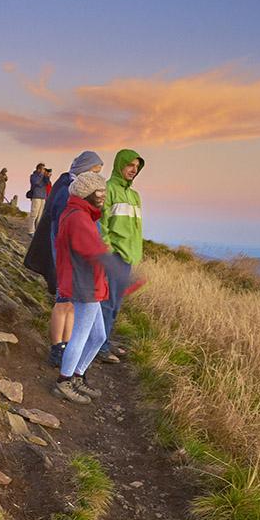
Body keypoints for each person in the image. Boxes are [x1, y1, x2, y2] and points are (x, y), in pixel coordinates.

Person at [52, 172, 134, 403]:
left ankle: (77, 375)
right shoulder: (78, 217)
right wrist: (120, 272)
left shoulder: (83, 215)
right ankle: (64, 381)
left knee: (98, 336)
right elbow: (91, 251)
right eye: (100, 192)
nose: (104, 196)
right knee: (80, 335)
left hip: (90, 283)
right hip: (84, 285)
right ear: (88, 192)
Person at [23, 151, 104, 366]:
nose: (96, 177)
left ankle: (64, 344)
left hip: (68, 259)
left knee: (69, 304)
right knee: (63, 303)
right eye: (95, 172)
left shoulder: (68, 186)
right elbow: (60, 230)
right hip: (65, 259)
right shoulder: (67, 191)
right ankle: (57, 348)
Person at [97, 149, 145, 363]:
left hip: (128, 257)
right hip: (113, 256)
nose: (133, 170)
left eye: (137, 167)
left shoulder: (135, 195)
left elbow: (135, 228)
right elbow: (101, 223)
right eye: (130, 165)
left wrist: (135, 253)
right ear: (120, 165)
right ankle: (100, 347)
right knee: (107, 303)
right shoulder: (108, 189)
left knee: (116, 304)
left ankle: (106, 340)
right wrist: (107, 252)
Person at [27, 163, 47, 233]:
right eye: (43, 169)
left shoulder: (44, 177)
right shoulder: (33, 176)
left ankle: (37, 230)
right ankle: (31, 230)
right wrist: (42, 176)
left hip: (43, 196)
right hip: (36, 196)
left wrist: (47, 177)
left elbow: (47, 184)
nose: (44, 170)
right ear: (38, 169)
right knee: (34, 214)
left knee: (40, 215)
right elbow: (36, 183)